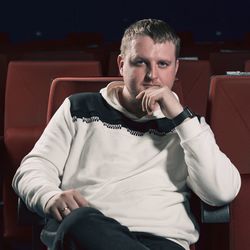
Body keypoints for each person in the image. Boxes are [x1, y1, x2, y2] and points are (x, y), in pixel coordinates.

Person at [12, 19, 241, 250]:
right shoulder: (77, 109)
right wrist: (49, 196)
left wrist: (181, 118)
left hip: (163, 240)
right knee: (79, 222)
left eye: (163, 64)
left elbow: (221, 193)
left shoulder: (189, 127)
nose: (152, 75)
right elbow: (31, 169)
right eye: (141, 62)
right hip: (89, 235)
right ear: (122, 65)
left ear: (176, 69)